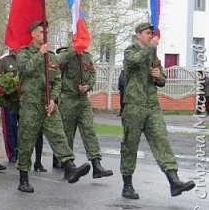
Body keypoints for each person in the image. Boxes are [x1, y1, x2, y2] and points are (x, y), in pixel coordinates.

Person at [120, 22, 195, 199]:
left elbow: (162, 79)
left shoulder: (153, 54)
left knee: (161, 139)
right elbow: (134, 61)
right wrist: (151, 48)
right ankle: (127, 185)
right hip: (134, 106)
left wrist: (158, 75)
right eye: (147, 33)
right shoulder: (130, 51)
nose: (151, 36)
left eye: (151, 34)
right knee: (130, 145)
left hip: (152, 106)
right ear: (138, 35)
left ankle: (174, 181)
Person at [16, 21, 91, 193]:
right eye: (42, 32)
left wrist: (54, 100)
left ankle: (70, 167)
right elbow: (25, 69)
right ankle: (23, 178)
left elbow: (57, 80)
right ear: (33, 34)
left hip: (48, 104)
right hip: (30, 104)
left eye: (47, 32)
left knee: (59, 135)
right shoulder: (24, 52)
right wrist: (39, 55)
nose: (45, 35)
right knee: (26, 142)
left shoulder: (51, 56)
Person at [57, 46, 113, 179]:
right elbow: (57, 63)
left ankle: (97, 165)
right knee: (67, 134)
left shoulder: (87, 57)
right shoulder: (66, 54)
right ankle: (67, 166)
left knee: (89, 131)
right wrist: (73, 51)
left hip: (83, 101)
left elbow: (92, 74)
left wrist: (88, 86)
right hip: (67, 99)